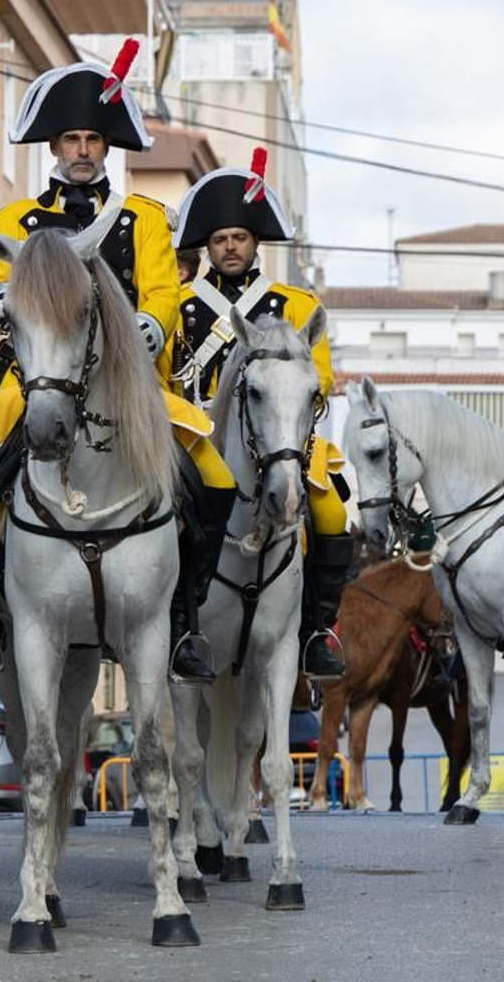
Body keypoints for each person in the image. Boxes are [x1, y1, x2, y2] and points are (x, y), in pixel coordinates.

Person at [0, 39, 235, 685]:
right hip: (39, 386)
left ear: (107, 149)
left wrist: (148, 331)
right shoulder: (17, 219)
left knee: (215, 482)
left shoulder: (147, 220)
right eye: (70, 138)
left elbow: (164, 295)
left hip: (131, 394)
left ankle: (184, 620)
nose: (81, 150)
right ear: (53, 147)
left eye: (91, 140)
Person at [165, 149, 348, 680]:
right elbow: (163, 377)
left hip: (282, 438)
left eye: (238, 239)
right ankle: (182, 630)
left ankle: (315, 631)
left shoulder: (296, 305)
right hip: (200, 441)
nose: (229, 248)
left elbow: (322, 379)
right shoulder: (182, 307)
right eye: (219, 240)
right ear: (208, 246)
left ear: (254, 243)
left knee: (333, 513)